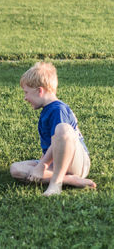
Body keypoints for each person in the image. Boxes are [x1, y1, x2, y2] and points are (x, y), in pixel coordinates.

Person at [10, 62, 96, 196]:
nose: (25, 98)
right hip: (59, 162)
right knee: (16, 169)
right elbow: (51, 145)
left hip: (76, 163)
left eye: (26, 92)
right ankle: (69, 179)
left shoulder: (57, 109)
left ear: (40, 90)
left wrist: (42, 166)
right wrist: (40, 164)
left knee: (62, 128)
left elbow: (63, 137)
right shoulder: (47, 110)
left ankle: (56, 183)